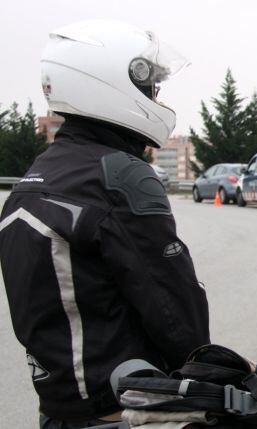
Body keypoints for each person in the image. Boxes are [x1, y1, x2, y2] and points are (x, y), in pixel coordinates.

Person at [0, 20, 210, 428]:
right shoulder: (120, 176)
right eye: (149, 86)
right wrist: (209, 367)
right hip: (124, 408)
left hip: (58, 408)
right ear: (108, 83)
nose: (156, 96)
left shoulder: (34, 178)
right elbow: (171, 303)